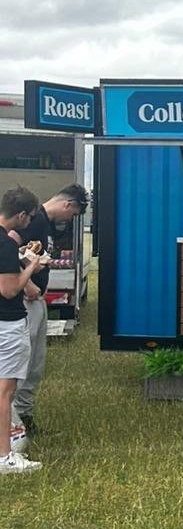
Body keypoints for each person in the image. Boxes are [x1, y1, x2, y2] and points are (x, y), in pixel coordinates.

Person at [14, 183, 89, 437]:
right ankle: (14, 424)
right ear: (68, 205)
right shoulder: (34, 220)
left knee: (36, 361)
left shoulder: (44, 224)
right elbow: (9, 252)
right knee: (24, 361)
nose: (71, 219)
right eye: (74, 214)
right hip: (26, 299)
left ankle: (25, 417)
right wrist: (29, 285)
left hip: (38, 300)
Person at [0, 187, 45, 473]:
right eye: (29, 218)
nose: (29, 224)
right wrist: (32, 267)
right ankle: (5, 456)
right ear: (21, 215)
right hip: (8, 325)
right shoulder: (4, 244)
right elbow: (9, 289)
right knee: (5, 391)